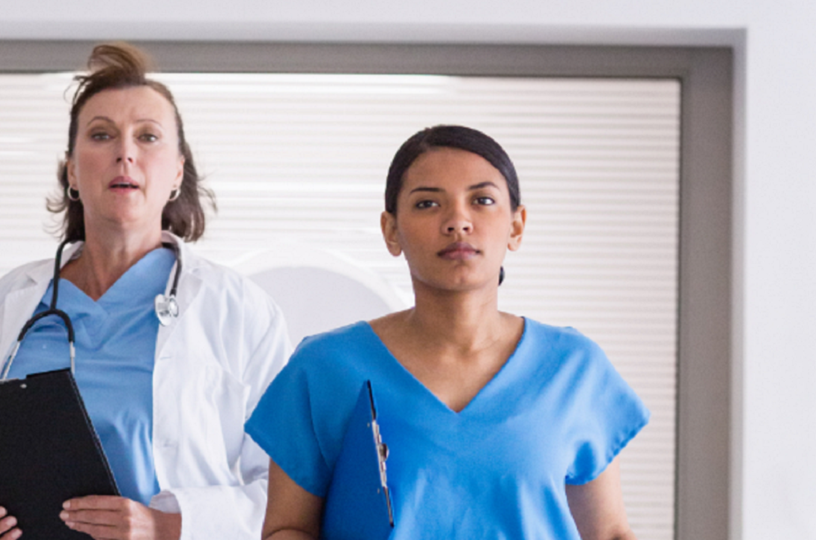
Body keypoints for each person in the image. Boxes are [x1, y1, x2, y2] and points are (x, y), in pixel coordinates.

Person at [0, 43, 291, 540]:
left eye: (148, 136)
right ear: (71, 170)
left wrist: (168, 527)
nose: (125, 153)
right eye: (101, 134)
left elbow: (285, 495)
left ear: (177, 171)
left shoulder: (240, 311)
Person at [245, 125, 649, 539]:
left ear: (516, 226)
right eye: (427, 203)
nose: (458, 221)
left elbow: (608, 533)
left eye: (482, 200)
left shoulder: (573, 368)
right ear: (391, 231)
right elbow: (288, 528)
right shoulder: (324, 369)